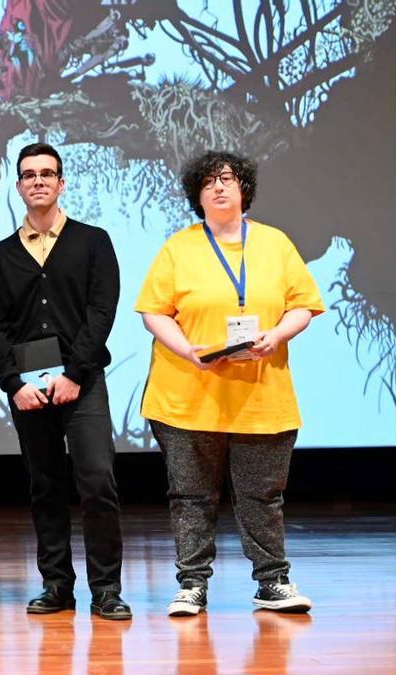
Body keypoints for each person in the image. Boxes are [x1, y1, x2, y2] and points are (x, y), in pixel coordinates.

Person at [135, 151, 324, 617]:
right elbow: (153, 311)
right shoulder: (179, 247)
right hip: (187, 393)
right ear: (196, 196)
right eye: (209, 183)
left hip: (262, 393)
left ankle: (272, 582)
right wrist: (187, 350)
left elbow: (303, 304)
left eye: (229, 179)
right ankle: (192, 584)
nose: (219, 187)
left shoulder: (275, 243)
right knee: (192, 496)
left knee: (263, 495)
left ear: (245, 190)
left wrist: (277, 334)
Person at [0, 142, 131, 620]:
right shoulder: (3, 256)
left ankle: (106, 588)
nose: (39, 181)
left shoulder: (93, 241)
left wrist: (74, 374)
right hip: (29, 390)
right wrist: (13, 384)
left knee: (97, 483)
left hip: (82, 384)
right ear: (20, 185)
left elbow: (101, 312)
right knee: (45, 487)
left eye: (48, 174)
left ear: (62, 183)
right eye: (29, 175)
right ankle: (56, 587)